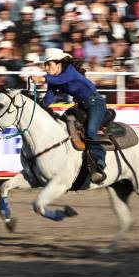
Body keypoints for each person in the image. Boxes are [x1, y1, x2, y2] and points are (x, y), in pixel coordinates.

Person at [32, 48, 107, 185]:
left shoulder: (69, 71)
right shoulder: (55, 79)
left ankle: (99, 164)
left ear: (59, 64)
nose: (47, 68)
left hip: (95, 104)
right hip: (81, 106)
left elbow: (63, 79)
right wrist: (38, 106)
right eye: (46, 65)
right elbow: (49, 97)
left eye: (49, 64)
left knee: (90, 132)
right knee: (63, 126)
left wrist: (41, 78)